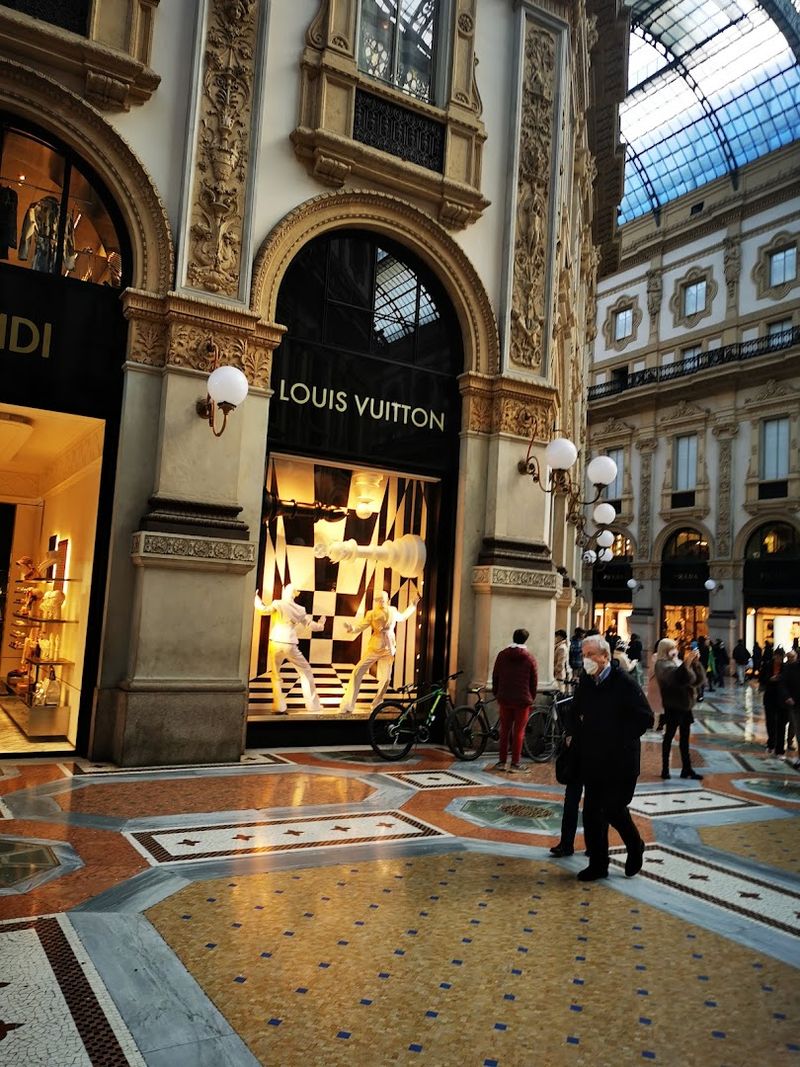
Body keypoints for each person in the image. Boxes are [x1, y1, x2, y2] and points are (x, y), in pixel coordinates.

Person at [571, 634, 653, 881]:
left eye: (590, 655)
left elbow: (645, 718)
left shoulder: (623, 682)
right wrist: (574, 731)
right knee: (593, 813)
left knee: (614, 809)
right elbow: (575, 711)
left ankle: (635, 844)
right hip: (594, 758)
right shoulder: (586, 682)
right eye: (584, 655)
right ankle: (598, 865)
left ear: (605, 656)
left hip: (621, 761)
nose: (586, 660)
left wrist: (615, 736)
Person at [339, 589, 420, 713]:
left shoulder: (392, 610)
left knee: (386, 679)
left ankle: (377, 703)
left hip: (389, 647)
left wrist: (413, 605)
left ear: (387, 599)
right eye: (379, 599)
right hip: (375, 646)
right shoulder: (371, 613)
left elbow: (403, 617)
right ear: (376, 601)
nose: (381, 601)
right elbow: (362, 626)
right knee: (358, 671)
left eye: (383, 599)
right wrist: (352, 628)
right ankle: (348, 704)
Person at [255, 585, 326, 714]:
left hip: (275, 641)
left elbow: (263, 610)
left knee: (275, 674)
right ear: (294, 594)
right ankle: (313, 705)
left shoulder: (278, 603)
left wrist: (255, 598)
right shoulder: (300, 609)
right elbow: (313, 626)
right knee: (305, 671)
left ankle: (279, 706)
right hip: (290, 643)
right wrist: (322, 623)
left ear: (285, 592)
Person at [654, 639, 706, 780]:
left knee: (685, 738)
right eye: (671, 648)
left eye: (675, 647)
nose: (674, 650)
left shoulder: (677, 662)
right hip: (673, 705)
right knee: (669, 736)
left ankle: (687, 768)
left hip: (685, 705)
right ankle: (665, 768)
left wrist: (694, 663)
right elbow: (676, 679)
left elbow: (694, 680)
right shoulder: (661, 664)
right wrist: (687, 664)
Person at [491, 628, 538, 773]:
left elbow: (495, 676)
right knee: (519, 731)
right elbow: (533, 681)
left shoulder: (502, 655)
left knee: (504, 730)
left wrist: (497, 692)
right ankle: (515, 762)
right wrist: (531, 697)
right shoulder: (529, 658)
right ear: (525, 640)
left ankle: (502, 761)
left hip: (504, 697)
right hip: (522, 699)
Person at [763, 650, 789, 756]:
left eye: (781, 657)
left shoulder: (786, 668)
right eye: (777, 657)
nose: (779, 659)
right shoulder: (768, 666)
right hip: (770, 698)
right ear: (774, 656)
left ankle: (780, 749)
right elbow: (762, 679)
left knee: (781, 724)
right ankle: (771, 744)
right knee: (770, 723)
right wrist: (770, 679)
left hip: (782, 699)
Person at [780, 652, 800, 770]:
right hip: (796, 705)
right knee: (799, 733)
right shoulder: (791, 668)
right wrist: (787, 697)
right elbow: (783, 684)